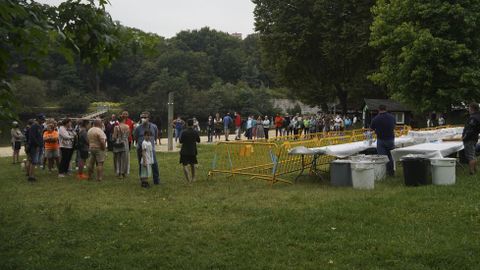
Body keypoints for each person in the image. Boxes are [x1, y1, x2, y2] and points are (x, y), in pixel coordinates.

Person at [133, 112, 160, 185]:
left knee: (154, 163)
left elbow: (156, 135)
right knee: (142, 164)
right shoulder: (138, 128)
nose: (143, 119)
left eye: (145, 117)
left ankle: (156, 180)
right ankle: (143, 180)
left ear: (149, 118)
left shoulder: (154, 126)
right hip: (141, 149)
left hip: (151, 149)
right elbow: (135, 137)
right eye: (142, 117)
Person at [370, 104, 396, 176]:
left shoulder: (375, 118)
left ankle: (383, 173)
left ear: (379, 110)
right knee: (390, 156)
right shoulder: (392, 117)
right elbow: (394, 126)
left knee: (382, 157)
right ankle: (391, 172)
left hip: (381, 140)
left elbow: (371, 129)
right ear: (386, 109)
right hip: (390, 139)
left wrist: (376, 130)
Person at [462, 103, 480, 175]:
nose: (468, 109)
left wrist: (465, 136)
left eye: (469, 108)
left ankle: (471, 172)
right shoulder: (478, 116)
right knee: (472, 154)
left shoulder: (473, 118)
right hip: (474, 138)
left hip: (470, 139)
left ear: (472, 108)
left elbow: (470, 129)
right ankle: (476, 170)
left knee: (470, 156)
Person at [26, 115, 45, 182]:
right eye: (42, 119)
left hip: (38, 146)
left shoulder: (39, 126)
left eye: (43, 120)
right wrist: (37, 145)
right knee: (33, 161)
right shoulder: (34, 126)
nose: (43, 121)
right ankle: (31, 176)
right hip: (34, 147)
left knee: (34, 161)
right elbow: (32, 137)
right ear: (38, 119)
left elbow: (39, 136)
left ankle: (31, 175)